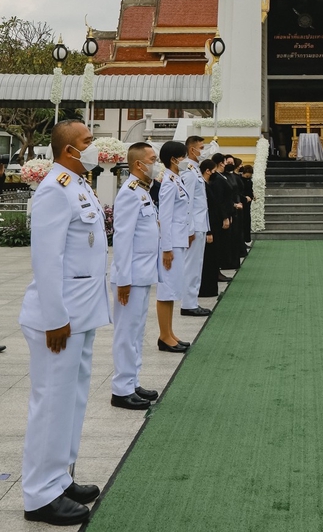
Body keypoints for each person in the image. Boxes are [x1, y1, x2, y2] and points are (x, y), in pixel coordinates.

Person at [20, 119, 110, 525]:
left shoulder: (78, 183)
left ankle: (60, 476)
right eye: (87, 142)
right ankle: (39, 494)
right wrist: (56, 318)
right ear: (68, 149)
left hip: (81, 312)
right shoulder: (54, 190)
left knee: (71, 401)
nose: (93, 147)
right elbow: (46, 258)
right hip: (60, 318)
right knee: (52, 404)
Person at [110, 142, 161, 411]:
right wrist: (124, 279)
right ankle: (120, 389)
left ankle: (132, 381)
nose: (156, 163)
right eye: (152, 159)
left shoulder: (143, 191)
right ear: (139, 164)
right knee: (125, 334)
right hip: (130, 277)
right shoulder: (129, 193)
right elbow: (123, 238)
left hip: (142, 274)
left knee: (136, 331)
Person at [156, 141, 193, 354]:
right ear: (174, 159)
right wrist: (166, 248)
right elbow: (165, 217)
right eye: (183, 156)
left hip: (178, 240)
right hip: (170, 243)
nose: (185, 160)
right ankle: (164, 336)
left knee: (172, 289)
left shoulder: (175, 179)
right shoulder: (169, 183)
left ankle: (169, 333)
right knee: (166, 290)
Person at [180, 136, 212, 318]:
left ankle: (192, 301)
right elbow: (188, 202)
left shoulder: (194, 169)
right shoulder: (188, 171)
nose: (204, 150)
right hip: (194, 226)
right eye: (201, 147)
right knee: (191, 266)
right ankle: (188, 303)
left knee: (196, 264)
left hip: (200, 224)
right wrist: (189, 229)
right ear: (192, 150)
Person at [199, 154, 234, 296]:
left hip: (212, 222)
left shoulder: (207, 184)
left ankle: (211, 286)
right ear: (208, 171)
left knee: (213, 255)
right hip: (209, 224)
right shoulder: (204, 185)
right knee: (209, 257)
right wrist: (208, 231)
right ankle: (206, 289)